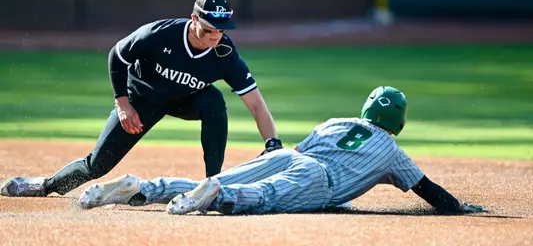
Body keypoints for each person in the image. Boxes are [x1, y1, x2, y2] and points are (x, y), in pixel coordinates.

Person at [1, 0, 284, 198]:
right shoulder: (159, 35)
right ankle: (45, 185)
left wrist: (272, 143)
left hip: (185, 100)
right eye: (209, 29)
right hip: (141, 100)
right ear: (194, 18)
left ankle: (212, 184)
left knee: (214, 102)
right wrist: (123, 104)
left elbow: (256, 103)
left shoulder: (225, 54)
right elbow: (117, 56)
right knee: (97, 165)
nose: (215, 37)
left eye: (222, 31)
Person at [77, 86, 487, 215]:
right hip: (316, 178)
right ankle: (222, 197)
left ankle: (143, 187)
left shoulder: (336, 121)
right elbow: (428, 190)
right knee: (266, 198)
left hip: (288, 155)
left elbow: (300, 152)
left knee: (212, 180)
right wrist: (460, 208)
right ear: (398, 122)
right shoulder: (393, 151)